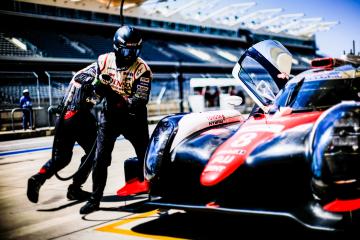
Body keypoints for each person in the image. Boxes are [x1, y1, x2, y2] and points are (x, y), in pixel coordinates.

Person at [79, 25, 152, 214]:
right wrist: (97, 87)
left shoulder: (143, 69)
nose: (132, 54)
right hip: (109, 117)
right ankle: (95, 200)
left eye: (136, 49)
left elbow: (138, 101)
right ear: (117, 48)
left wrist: (111, 94)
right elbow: (93, 90)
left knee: (146, 155)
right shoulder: (103, 61)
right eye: (128, 49)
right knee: (100, 158)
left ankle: (156, 192)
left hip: (134, 118)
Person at [26, 66, 99, 203]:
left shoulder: (82, 72)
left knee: (62, 158)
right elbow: (92, 96)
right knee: (94, 153)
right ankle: (75, 188)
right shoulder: (103, 74)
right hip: (79, 116)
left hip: (63, 116)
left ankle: (38, 179)